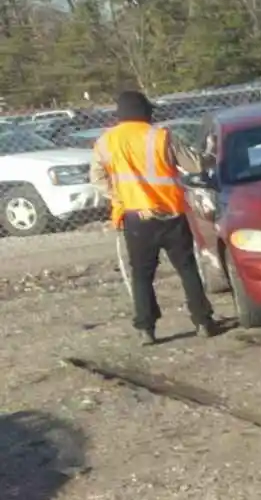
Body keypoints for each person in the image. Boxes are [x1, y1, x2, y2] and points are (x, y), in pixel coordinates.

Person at [90, 91, 218, 344]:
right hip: (171, 213)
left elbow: (97, 179)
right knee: (187, 268)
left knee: (141, 274)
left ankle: (146, 329)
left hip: (136, 218)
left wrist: (120, 197)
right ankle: (203, 321)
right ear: (147, 112)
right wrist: (211, 154)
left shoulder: (106, 142)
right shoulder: (161, 137)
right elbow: (194, 165)